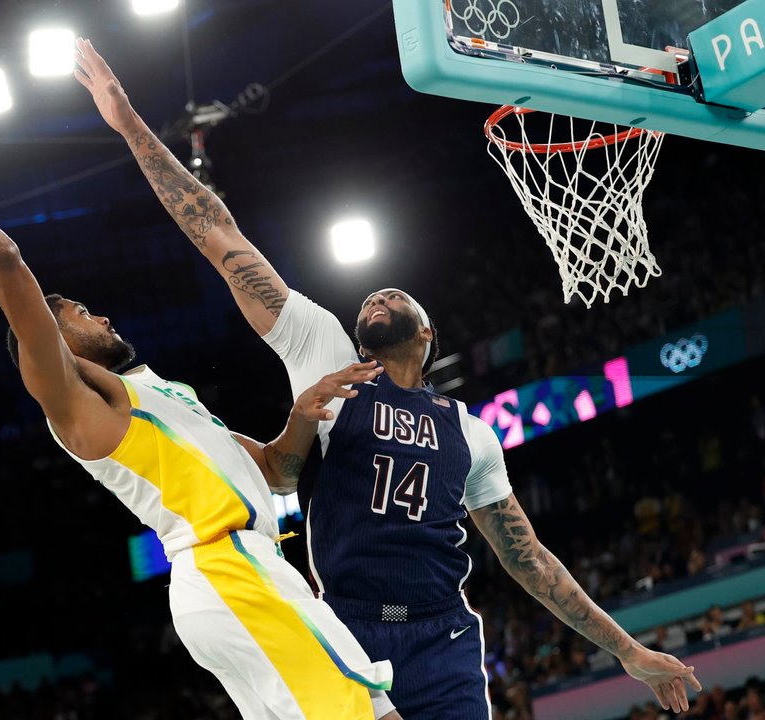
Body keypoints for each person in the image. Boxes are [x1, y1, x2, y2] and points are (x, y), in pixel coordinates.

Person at [73, 37, 705, 717]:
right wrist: (130, 125)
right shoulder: (323, 349)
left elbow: (531, 562)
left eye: (397, 297)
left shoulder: (470, 434)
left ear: (427, 335)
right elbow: (220, 238)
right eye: (371, 297)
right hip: (344, 624)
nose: (378, 296)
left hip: (443, 637)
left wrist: (627, 650)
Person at [0, 96, 403, 720]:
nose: (100, 314)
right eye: (78, 312)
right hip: (230, 572)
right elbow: (2, 262)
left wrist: (304, 411)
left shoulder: (164, 394)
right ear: (52, 344)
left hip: (242, 575)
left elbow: (278, 474)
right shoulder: (82, 402)